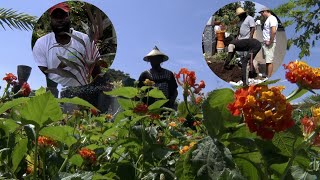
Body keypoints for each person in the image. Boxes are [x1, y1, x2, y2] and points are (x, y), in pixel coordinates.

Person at [32, 2, 100, 96]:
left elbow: (96, 70)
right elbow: (41, 75)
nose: (59, 20)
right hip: (54, 93)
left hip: (81, 94)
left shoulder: (84, 40)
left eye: (63, 16)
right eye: (56, 17)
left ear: (69, 16)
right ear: (50, 19)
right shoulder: (42, 43)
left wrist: (97, 91)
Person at [259, 7, 278, 78]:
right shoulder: (268, 19)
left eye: (261, 13)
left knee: (269, 60)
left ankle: (269, 77)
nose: (261, 14)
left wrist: (271, 41)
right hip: (266, 42)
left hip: (270, 43)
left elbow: (273, 31)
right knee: (267, 60)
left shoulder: (272, 19)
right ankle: (266, 74)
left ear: (265, 11)